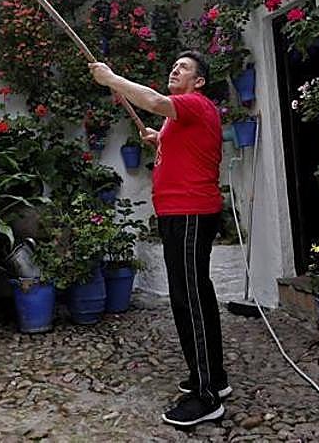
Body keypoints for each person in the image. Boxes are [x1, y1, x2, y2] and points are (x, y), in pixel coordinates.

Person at [89, 51, 228, 428]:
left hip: (190, 212)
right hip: (179, 213)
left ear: (199, 81)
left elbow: (152, 101)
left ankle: (207, 396)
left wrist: (112, 79)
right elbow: (185, 150)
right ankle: (212, 377)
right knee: (194, 295)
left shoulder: (195, 103)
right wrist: (157, 140)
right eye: (174, 65)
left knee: (189, 299)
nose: (175, 69)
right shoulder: (179, 118)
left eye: (184, 68)